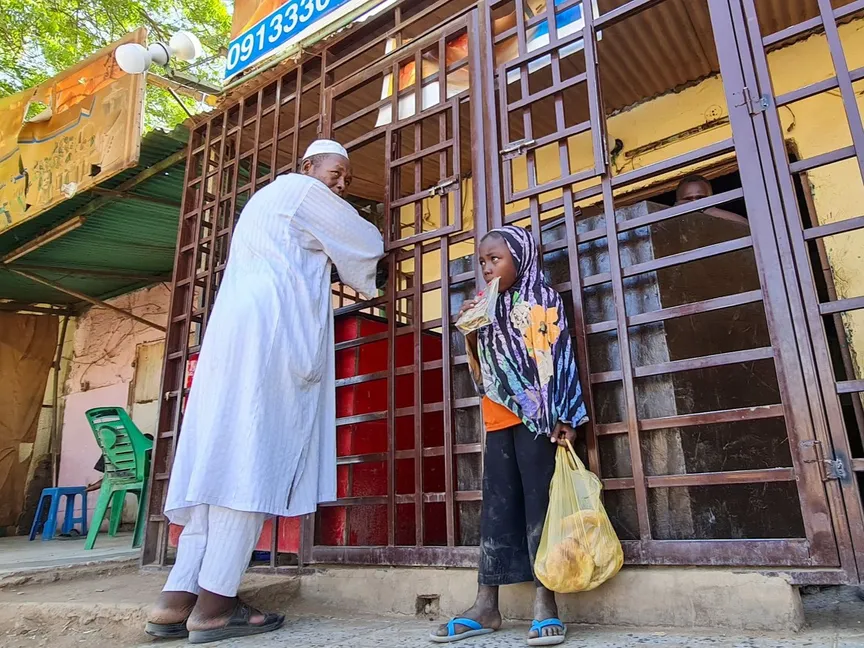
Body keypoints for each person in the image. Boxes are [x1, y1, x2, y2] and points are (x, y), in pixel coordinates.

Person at [145, 140, 385, 644]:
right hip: (271, 334)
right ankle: (214, 607)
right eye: (336, 173)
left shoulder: (264, 203)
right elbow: (365, 242)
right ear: (307, 166)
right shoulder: (301, 190)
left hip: (233, 335)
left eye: (345, 179)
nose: (340, 185)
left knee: (218, 458)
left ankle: (176, 599)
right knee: (250, 458)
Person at [433, 226, 588, 646]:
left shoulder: (543, 299)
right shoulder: (488, 305)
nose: (487, 267)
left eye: (495, 258)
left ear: (520, 256)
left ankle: (546, 604)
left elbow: (558, 359)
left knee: (542, 505)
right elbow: (483, 371)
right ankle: (486, 605)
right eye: (482, 261)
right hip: (498, 417)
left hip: (541, 420)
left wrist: (567, 415)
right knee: (497, 508)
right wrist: (469, 329)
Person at [675, 174, 748, 225]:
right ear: (677, 203)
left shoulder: (720, 221)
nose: (695, 203)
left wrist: (707, 209)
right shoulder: (673, 224)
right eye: (688, 199)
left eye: (700, 198)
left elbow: (746, 225)